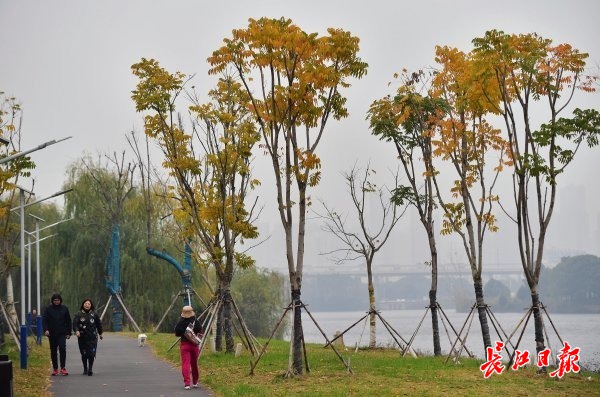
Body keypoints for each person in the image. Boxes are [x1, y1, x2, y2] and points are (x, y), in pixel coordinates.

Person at [42, 293, 72, 376]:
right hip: (51, 333)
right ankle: (55, 368)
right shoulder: (48, 309)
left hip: (62, 333)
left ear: (60, 300)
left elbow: (68, 321)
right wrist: (46, 329)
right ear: (52, 301)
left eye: (58, 300)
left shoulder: (64, 309)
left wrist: (69, 332)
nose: (56, 302)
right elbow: (44, 320)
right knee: (53, 351)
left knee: (62, 348)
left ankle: (63, 368)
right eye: (55, 300)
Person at [174, 305, 202, 390]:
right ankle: (195, 382)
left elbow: (177, 333)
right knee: (194, 364)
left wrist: (184, 332)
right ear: (192, 312)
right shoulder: (195, 321)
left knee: (185, 364)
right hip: (194, 345)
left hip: (184, 345)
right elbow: (200, 330)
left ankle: (187, 384)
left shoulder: (180, 322)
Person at [73, 298, 103, 376]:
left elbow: (98, 324)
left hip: (92, 337)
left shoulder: (94, 314)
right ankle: (85, 368)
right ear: (83, 304)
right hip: (82, 337)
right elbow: (75, 324)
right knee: (84, 354)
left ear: (91, 305)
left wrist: (100, 333)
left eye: (89, 304)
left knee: (91, 354)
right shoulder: (79, 314)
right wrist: (76, 331)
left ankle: (90, 369)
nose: (87, 305)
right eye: (86, 303)